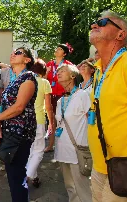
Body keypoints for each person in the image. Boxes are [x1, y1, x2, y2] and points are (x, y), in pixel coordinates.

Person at [88, 11, 127, 202]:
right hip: (100, 165)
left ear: (121, 34)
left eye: (102, 22)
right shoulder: (97, 70)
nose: (94, 25)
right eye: (94, 23)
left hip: (124, 167)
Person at [0, 47, 37, 202]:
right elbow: (4, 105)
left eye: (18, 53)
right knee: (13, 175)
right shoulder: (15, 79)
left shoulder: (29, 77)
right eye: (12, 52)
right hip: (9, 131)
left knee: (17, 176)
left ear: (27, 60)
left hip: (20, 133)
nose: (13, 54)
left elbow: (19, 107)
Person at [54, 64, 91, 202]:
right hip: (63, 150)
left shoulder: (82, 95)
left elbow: (91, 121)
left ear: (73, 76)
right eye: (58, 71)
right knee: (70, 187)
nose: (59, 73)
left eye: (63, 71)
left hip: (78, 151)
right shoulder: (60, 101)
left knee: (83, 188)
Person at [26, 58, 54, 188]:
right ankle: (27, 175)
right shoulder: (44, 82)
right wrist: (51, 122)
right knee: (38, 150)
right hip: (38, 120)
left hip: (25, 120)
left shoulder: (26, 81)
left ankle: (34, 177)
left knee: (31, 150)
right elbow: (48, 106)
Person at [44, 43, 73, 152]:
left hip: (63, 95)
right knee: (51, 120)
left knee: (63, 119)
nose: (57, 50)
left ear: (64, 54)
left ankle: (66, 145)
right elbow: (44, 78)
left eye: (60, 49)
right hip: (50, 95)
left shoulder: (67, 64)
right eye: (57, 48)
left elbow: (72, 79)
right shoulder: (50, 64)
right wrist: (46, 73)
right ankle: (51, 145)